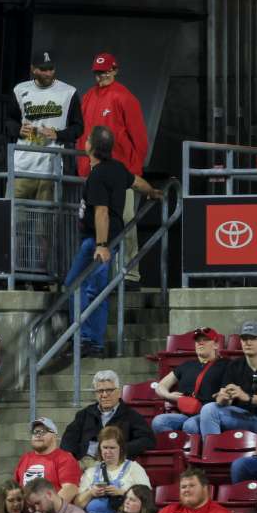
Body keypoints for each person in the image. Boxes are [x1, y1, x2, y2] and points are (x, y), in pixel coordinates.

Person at [68, 126, 163, 355]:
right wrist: (151, 192)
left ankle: (90, 342)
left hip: (99, 242)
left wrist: (101, 246)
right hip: (102, 240)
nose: (85, 141)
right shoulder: (117, 168)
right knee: (80, 286)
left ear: (90, 146)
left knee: (88, 288)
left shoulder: (99, 174)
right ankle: (84, 339)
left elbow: (101, 212)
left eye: (88, 139)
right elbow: (137, 182)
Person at [77, 53, 149, 288]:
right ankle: (103, 274)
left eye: (106, 71)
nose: (102, 76)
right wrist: (82, 169)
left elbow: (139, 138)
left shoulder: (124, 97)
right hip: (93, 172)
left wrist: (134, 171)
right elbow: (82, 137)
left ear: (115, 70)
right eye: (98, 72)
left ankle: (130, 274)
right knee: (94, 223)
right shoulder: (88, 97)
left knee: (125, 220)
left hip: (119, 172)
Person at [8, 49, 83, 202]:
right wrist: (18, 129)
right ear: (33, 69)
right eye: (43, 69)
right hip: (22, 166)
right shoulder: (20, 89)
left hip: (51, 168)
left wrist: (59, 134)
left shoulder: (68, 92)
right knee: (13, 216)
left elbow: (79, 127)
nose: (48, 73)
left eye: (51, 69)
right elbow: (9, 120)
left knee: (45, 222)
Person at [192, 321, 257, 436]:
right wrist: (223, 398)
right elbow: (225, 399)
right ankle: (212, 451)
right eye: (244, 339)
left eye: (253, 338)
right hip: (242, 417)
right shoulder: (234, 365)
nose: (248, 342)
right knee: (209, 409)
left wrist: (248, 398)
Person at [60, 370, 156, 467]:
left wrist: (119, 450)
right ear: (96, 394)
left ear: (119, 393)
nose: (104, 395)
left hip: (117, 463)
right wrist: (69, 457)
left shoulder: (131, 415)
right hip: (85, 461)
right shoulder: (84, 414)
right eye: (100, 391)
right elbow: (68, 439)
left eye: (109, 390)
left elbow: (147, 440)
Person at [151, 328, 229, 433]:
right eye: (197, 341)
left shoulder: (226, 364)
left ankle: (198, 448)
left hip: (208, 415)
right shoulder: (186, 365)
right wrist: (168, 396)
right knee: (158, 422)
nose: (200, 343)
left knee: (190, 425)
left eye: (205, 340)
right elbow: (161, 386)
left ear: (215, 345)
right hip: (185, 413)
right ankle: (178, 448)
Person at [76, 426, 150, 513]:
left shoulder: (133, 468)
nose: (108, 452)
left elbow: (147, 499)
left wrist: (122, 493)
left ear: (121, 448)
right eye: (105, 447)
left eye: (112, 448)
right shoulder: (91, 472)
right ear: (100, 448)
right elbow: (78, 504)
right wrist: (91, 493)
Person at [15, 418, 82, 504]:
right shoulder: (25, 458)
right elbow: (16, 488)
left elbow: (70, 490)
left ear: (54, 435)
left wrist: (44, 511)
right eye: (35, 432)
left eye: (43, 431)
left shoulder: (65, 459)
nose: (38, 435)